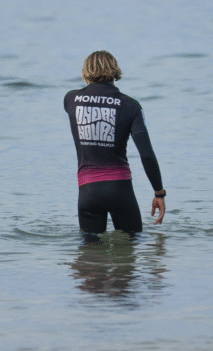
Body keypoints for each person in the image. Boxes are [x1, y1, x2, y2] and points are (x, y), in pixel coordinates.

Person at [64, 50, 166, 234]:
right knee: (129, 254)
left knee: (89, 257)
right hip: (120, 191)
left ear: (86, 71)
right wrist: (159, 192)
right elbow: (146, 155)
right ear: (114, 70)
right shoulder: (130, 105)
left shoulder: (71, 99)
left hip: (88, 192)